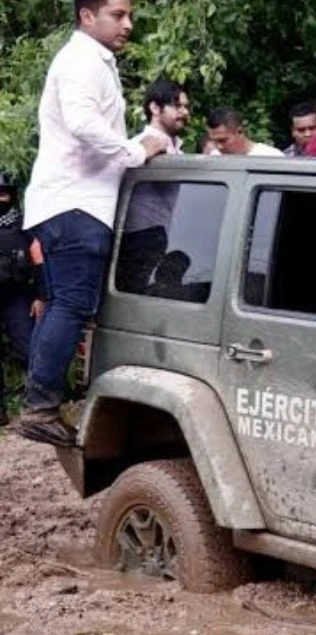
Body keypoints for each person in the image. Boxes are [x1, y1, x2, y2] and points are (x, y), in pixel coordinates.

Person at [17, 0, 169, 446]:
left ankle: (41, 400)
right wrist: (136, 151)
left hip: (71, 203)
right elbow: (84, 124)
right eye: (118, 15)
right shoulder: (82, 60)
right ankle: (40, 406)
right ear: (88, 16)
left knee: (66, 302)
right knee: (72, 304)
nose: (128, 24)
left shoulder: (92, 61)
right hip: (76, 205)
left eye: (129, 15)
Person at [118, 78, 189, 294]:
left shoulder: (176, 149)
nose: (184, 112)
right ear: (155, 108)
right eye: (177, 106)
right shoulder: (141, 145)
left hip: (160, 234)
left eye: (186, 107)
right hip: (138, 237)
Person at [0, 174, 41, 427]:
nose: (0, 198)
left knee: (28, 349)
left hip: (17, 295)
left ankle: (37, 406)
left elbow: (38, 259)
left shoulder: (25, 224)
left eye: (4, 194)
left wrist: (40, 295)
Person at [205, 107, 283, 157]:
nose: (219, 147)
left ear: (240, 132)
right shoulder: (214, 158)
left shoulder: (270, 157)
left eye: (223, 140)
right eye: (215, 141)